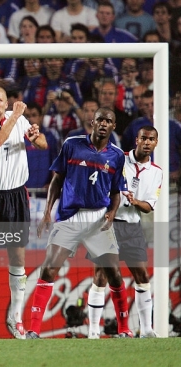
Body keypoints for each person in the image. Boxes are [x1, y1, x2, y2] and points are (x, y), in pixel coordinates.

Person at [27, 107, 130, 339]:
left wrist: (112, 212)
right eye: (100, 119)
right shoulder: (72, 144)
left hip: (98, 220)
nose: (104, 124)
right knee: (49, 268)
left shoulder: (117, 156)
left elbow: (116, 191)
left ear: (113, 126)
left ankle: (124, 329)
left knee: (113, 273)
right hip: (70, 217)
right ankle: (33, 328)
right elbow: (57, 179)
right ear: (92, 122)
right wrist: (46, 212)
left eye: (109, 121)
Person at [0, 86, 47, 340]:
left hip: (16, 196)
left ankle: (16, 317)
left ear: (5, 102)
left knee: (17, 258)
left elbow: (43, 144)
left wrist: (35, 135)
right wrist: (15, 116)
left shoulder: (19, 119)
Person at [87, 126, 161, 339]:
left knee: (142, 275)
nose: (147, 142)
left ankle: (146, 329)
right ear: (136, 139)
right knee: (101, 275)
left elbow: (149, 206)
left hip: (132, 226)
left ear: (156, 143)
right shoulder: (119, 158)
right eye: (143, 138)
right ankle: (93, 331)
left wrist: (135, 201)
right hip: (109, 223)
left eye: (151, 139)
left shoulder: (157, 172)